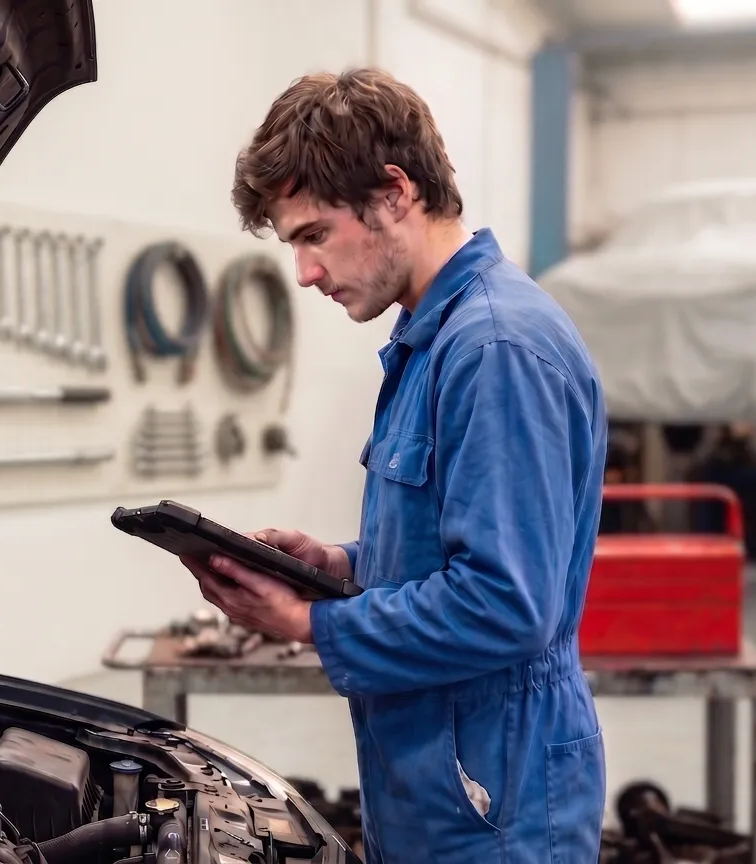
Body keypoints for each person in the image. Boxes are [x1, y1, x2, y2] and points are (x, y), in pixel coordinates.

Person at [179, 68, 609, 862]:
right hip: (437, 782)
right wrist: (338, 564)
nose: (304, 272)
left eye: (313, 235)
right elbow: (447, 547)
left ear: (394, 192)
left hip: (495, 807)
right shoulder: (432, 342)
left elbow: (507, 604)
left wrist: (312, 621)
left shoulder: (495, 349)